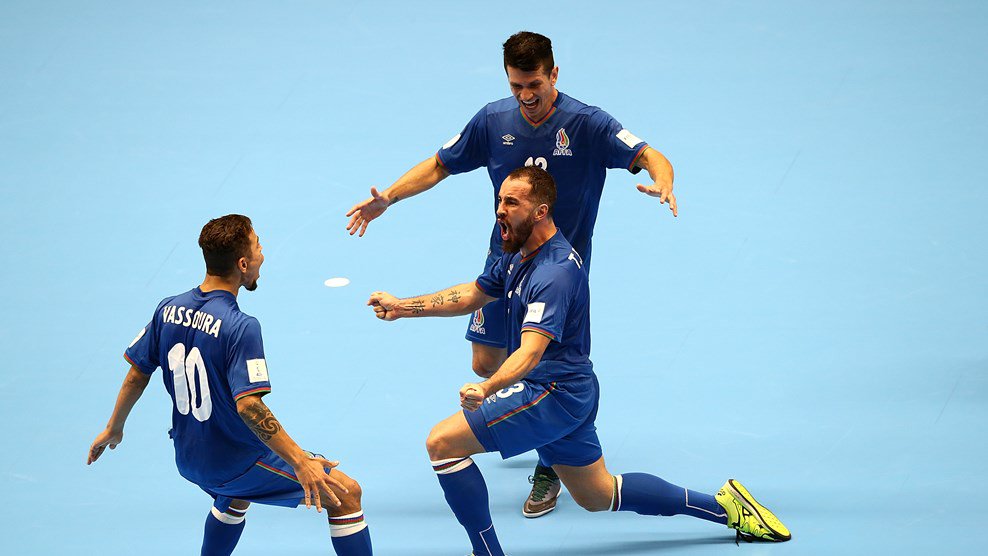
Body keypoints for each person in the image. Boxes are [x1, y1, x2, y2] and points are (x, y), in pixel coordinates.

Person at [367, 167, 790, 555]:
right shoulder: (517, 252)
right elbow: (474, 294)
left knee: (442, 444)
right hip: (573, 391)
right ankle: (724, 507)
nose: (500, 210)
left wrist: (487, 386)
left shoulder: (553, 273)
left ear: (541, 211)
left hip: (550, 393)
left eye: (511, 203)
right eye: (500, 200)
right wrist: (404, 306)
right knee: (597, 495)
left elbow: (531, 352)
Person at [346, 31, 677, 517]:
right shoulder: (493, 119)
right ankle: (541, 424)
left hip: (555, 269)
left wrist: (662, 180)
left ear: (554, 75)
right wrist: (388, 198)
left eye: (535, 85)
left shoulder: (586, 124)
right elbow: (440, 165)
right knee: (485, 362)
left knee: (537, 358)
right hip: (506, 257)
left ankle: (549, 456)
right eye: (517, 85)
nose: (527, 97)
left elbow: (648, 153)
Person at [88, 215, 373, 556]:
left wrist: (112, 428)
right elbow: (249, 406)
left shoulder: (167, 308)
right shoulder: (241, 326)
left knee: (236, 493)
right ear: (242, 264)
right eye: (257, 246)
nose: (262, 252)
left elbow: (137, 373)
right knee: (345, 493)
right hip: (232, 461)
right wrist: (300, 461)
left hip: (188, 457)